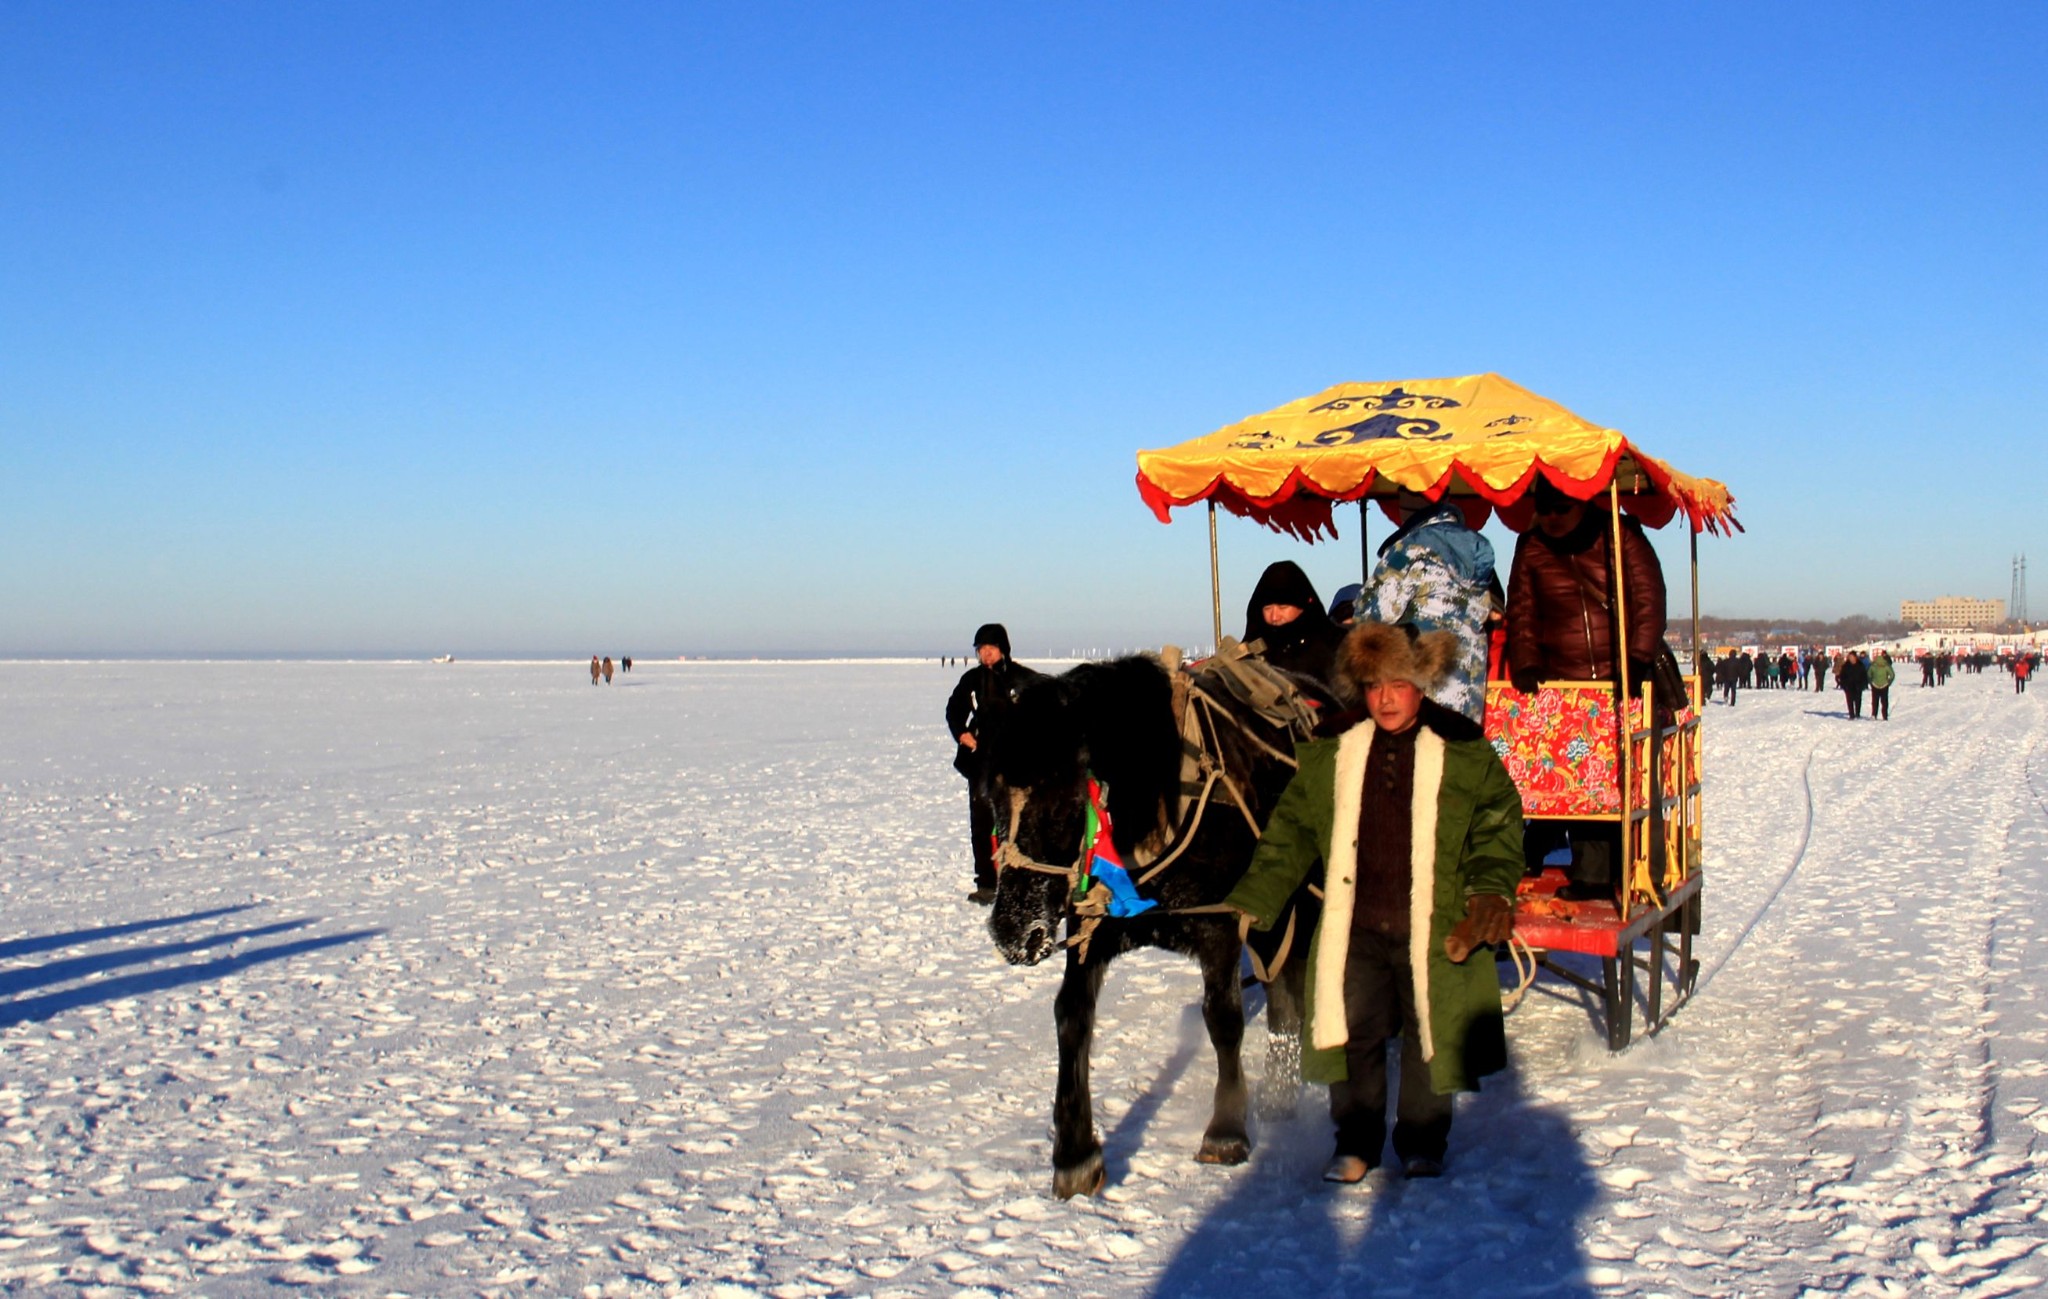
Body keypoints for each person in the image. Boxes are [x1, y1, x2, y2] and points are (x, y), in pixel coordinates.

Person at [1223, 621, 1521, 1184]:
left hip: (1432, 924)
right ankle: (1355, 1142)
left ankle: (1422, 1142)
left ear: (1422, 683)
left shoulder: (1462, 750)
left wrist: (1489, 891)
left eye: (1399, 683)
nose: (1385, 698)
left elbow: (1498, 827)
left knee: (1425, 1033)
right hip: (1355, 923)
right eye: (1374, 685)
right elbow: (1291, 831)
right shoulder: (1333, 750)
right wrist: (1254, 897)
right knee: (1351, 1032)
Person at [1505, 479, 1668, 900]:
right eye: (1547, 510)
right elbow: (1521, 610)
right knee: (1581, 779)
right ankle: (1591, 873)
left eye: (1562, 509)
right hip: (1566, 681)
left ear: (1580, 504)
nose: (1553, 519)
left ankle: (1637, 867)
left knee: (1629, 776)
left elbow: (1649, 598)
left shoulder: (1621, 534)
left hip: (1624, 679)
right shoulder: (1531, 547)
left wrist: (1638, 656)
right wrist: (1525, 663)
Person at [1356, 492, 1497, 723]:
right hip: (1470, 675)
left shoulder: (1409, 549)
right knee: (1460, 749)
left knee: (1425, 752)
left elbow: (1376, 613)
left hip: (1425, 672)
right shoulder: (1476, 545)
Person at [945, 624, 1041, 904]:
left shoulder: (1024, 679)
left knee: (1020, 822)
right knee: (982, 820)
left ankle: (1021, 879)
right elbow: (954, 710)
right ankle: (987, 882)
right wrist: (961, 733)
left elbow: (1045, 711)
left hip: (1017, 764)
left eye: (991, 649)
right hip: (980, 764)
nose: (986, 654)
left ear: (1003, 649)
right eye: (981, 650)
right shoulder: (971, 680)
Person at [1244, 560, 1347, 691]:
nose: (1274, 616)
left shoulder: (1337, 648)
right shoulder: (1250, 652)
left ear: (1303, 606)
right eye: (1267, 608)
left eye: (1283, 607)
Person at [1839, 651, 1868, 718]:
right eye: (1849, 657)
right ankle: (1851, 714)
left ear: (1855, 657)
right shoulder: (1846, 666)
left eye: (1852, 657)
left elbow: (1864, 676)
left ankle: (1857, 713)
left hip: (1858, 685)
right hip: (1848, 686)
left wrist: (1864, 684)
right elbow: (1842, 676)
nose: (1851, 659)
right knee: (1849, 700)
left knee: (1858, 700)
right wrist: (1843, 684)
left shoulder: (1860, 665)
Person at [1868, 651, 1895, 720]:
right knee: (1884, 701)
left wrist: (1870, 682)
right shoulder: (1886, 666)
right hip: (1884, 685)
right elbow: (1892, 675)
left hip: (1875, 685)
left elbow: (1868, 675)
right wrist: (1889, 682)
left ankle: (1874, 714)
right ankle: (1885, 715)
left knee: (1875, 701)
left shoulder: (1873, 666)